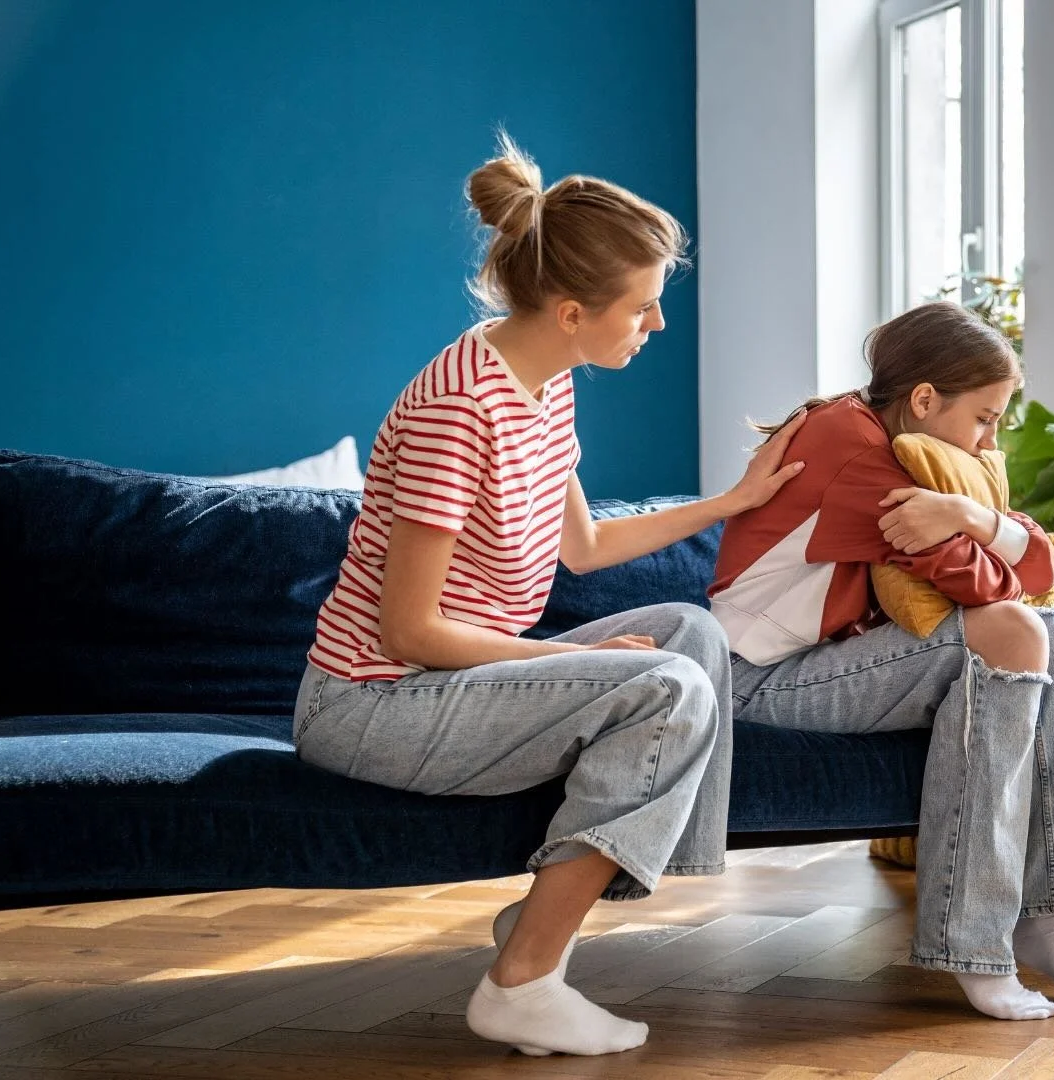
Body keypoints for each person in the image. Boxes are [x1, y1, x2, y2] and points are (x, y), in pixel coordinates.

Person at [293, 133, 804, 1057]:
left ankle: (557, 916)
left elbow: (585, 545)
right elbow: (410, 631)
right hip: (372, 703)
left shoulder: (545, 382)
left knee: (689, 636)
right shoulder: (460, 407)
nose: (654, 327)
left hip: (438, 684)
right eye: (643, 309)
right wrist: (577, 660)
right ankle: (523, 980)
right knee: (666, 688)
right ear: (572, 311)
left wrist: (734, 501)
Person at [709, 301, 1054, 1021]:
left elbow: (1035, 569)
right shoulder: (853, 447)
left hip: (832, 662)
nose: (989, 439)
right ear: (926, 399)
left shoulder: (901, 442)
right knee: (1020, 631)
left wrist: (970, 516)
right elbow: (994, 579)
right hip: (755, 683)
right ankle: (974, 942)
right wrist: (978, 532)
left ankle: (1046, 917)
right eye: (985, 417)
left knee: (1052, 632)